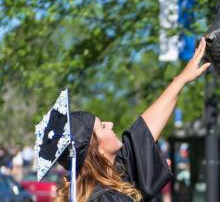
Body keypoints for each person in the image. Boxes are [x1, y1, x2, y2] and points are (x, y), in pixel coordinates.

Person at [34, 38, 210, 201]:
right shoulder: (104, 198)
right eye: (102, 126)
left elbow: (140, 137)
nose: (110, 124)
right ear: (97, 150)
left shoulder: (108, 179)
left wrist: (180, 81)